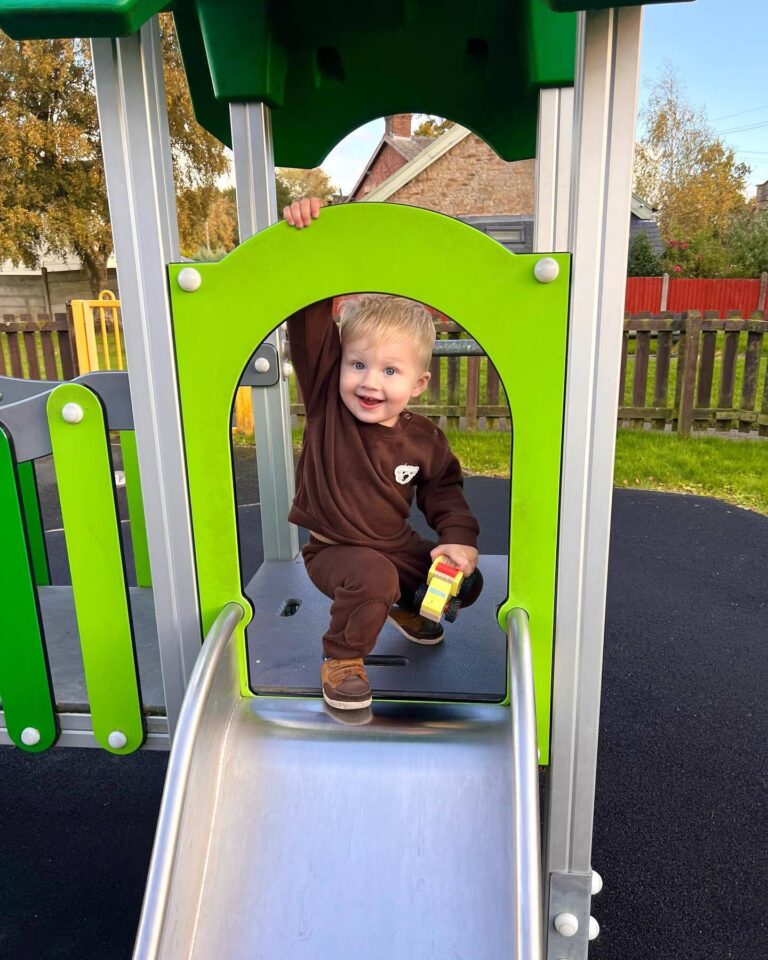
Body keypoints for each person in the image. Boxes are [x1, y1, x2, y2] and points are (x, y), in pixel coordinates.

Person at [284, 197, 482, 710]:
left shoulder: (423, 439)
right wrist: (313, 242)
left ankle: (406, 607)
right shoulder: (328, 400)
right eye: (358, 365)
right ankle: (343, 656)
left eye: (390, 371)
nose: (370, 382)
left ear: (418, 383)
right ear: (339, 365)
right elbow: (308, 324)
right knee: (373, 578)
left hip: (393, 542)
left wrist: (457, 541)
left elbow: (444, 491)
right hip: (333, 550)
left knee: (465, 581)